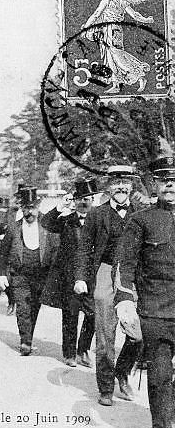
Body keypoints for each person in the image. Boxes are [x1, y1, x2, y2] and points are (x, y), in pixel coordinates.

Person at [115, 154, 175, 428]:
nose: (171, 185)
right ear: (155, 184)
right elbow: (125, 263)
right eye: (165, 180)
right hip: (156, 311)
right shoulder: (142, 220)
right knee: (161, 373)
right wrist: (125, 300)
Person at [74, 165, 143, 406]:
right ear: (108, 186)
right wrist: (81, 278)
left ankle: (122, 372)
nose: (121, 186)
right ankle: (105, 386)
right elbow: (84, 248)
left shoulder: (142, 212)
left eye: (125, 182)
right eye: (116, 182)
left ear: (132, 186)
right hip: (104, 272)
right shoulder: (96, 214)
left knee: (137, 333)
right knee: (104, 333)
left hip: (132, 275)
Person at [40, 181, 97, 367]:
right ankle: (69, 353)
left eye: (88, 199)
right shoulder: (67, 220)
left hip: (92, 276)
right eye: (80, 199)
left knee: (92, 315)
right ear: (75, 201)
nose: (84, 203)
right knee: (70, 316)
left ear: (93, 200)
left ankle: (83, 349)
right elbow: (46, 223)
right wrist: (59, 207)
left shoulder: (98, 220)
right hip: (69, 276)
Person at [0, 187, 57, 356]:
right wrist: (2, 273)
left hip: (40, 274)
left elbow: (54, 249)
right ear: (22, 208)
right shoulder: (13, 228)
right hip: (20, 274)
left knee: (34, 307)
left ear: (38, 207)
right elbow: (3, 252)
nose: (29, 211)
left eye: (32, 207)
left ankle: (28, 335)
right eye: (26, 208)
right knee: (23, 307)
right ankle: (25, 341)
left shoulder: (46, 226)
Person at [81, 0, 154, 94]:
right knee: (116, 56)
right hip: (117, 30)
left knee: (115, 57)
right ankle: (119, 83)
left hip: (109, 30)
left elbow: (96, 14)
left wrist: (86, 27)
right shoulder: (122, 0)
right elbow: (134, 15)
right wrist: (146, 20)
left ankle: (138, 74)